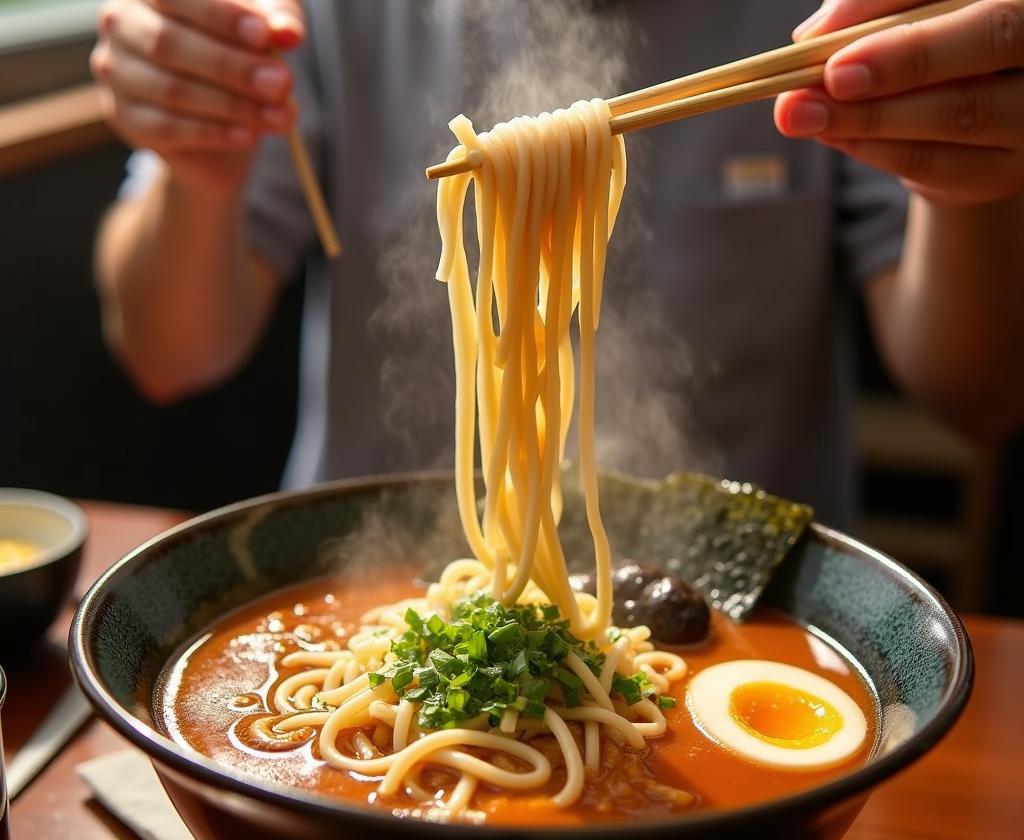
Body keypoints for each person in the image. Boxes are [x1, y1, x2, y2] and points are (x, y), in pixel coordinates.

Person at [91, 0, 1024, 530]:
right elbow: (168, 353)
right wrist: (196, 166)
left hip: (762, 625)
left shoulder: (846, 17)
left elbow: (980, 396)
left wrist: (972, 176)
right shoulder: (315, 14)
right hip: (363, 576)